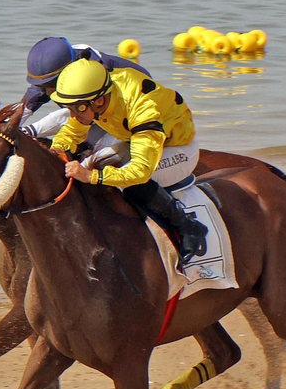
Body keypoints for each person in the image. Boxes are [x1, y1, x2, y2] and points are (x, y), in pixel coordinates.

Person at [47, 59, 209, 268]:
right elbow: (73, 130)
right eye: (67, 107)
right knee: (92, 163)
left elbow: (140, 171)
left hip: (177, 148)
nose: (72, 114)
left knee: (127, 184)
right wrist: (56, 149)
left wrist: (91, 177)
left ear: (99, 101)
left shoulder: (142, 109)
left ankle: (189, 227)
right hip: (134, 139)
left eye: (76, 108)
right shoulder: (92, 97)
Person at [22, 36, 148, 141]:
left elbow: (85, 116)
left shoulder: (94, 71)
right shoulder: (60, 65)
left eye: (52, 85)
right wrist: (8, 124)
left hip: (132, 118)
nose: (49, 92)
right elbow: (32, 99)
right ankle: (26, 132)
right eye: (45, 85)